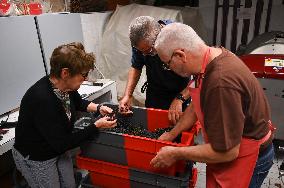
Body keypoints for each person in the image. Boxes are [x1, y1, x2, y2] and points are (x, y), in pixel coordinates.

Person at [150, 23, 275, 188]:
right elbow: (196, 105)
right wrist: (172, 134)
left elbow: (227, 152)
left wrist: (175, 153)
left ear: (180, 55)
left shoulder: (220, 83)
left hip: (247, 156)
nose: (169, 69)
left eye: (167, 63)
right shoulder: (211, 57)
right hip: (229, 146)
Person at [12, 42, 117, 188]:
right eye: (83, 74)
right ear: (65, 73)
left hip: (58, 146)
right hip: (38, 155)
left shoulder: (65, 87)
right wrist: (96, 126)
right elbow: (63, 144)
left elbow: (78, 102)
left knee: (69, 184)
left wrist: (98, 108)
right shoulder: (43, 99)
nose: (85, 78)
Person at [119, 16, 190, 124]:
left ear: (160, 37)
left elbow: (200, 76)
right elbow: (136, 66)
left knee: (179, 131)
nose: (144, 55)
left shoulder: (180, 38)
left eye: (148, 51)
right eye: (141, 51)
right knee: (154, 128)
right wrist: (128, 95)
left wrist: (180, 98)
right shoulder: (140, 41)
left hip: (181, 92)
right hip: (155, 92)